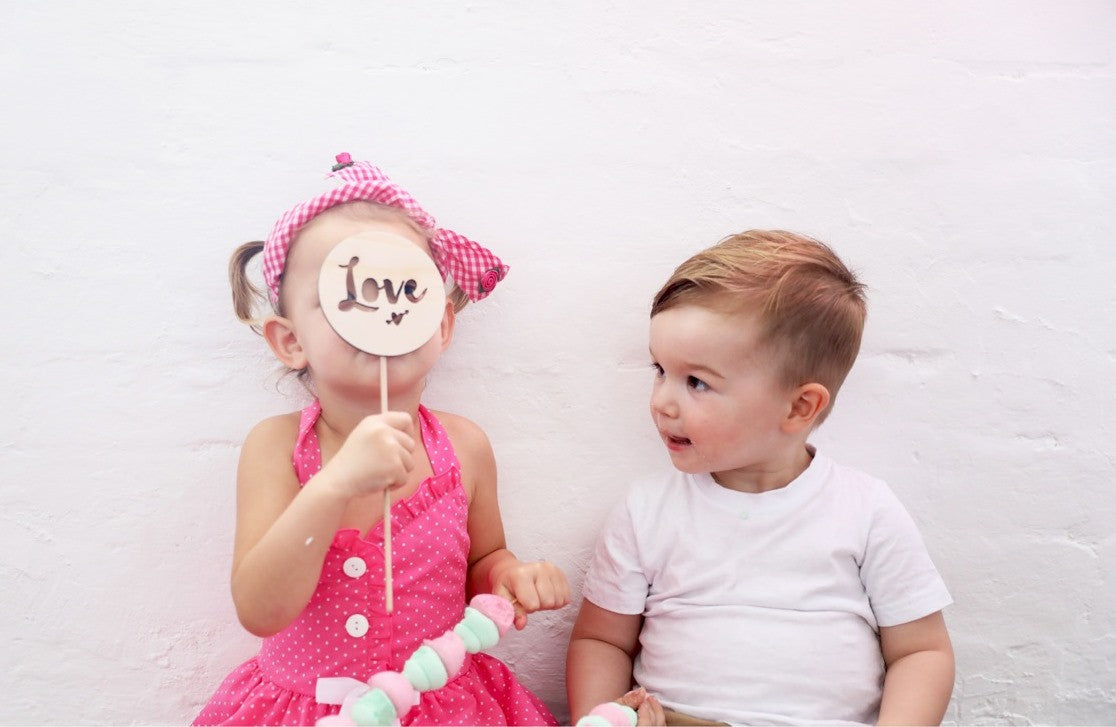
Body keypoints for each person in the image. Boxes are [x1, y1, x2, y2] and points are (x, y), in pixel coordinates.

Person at [194, 154, 569, 726]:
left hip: (441, 705)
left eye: (403, 291)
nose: (381, 310)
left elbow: (485, 558)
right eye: (348, 297)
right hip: (304, 708)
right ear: (289, 340)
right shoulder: (276, 448)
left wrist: (508, 577)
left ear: (440, 325)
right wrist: (335, 485)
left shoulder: (463, 447)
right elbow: (260, 608)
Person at [566, 230, 954, 726]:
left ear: (799, 407)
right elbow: (601, 640)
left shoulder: (865, 510)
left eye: (697, 382)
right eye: (659, 369)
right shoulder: (647, 510)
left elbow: (921, 652)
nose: (662, 400)